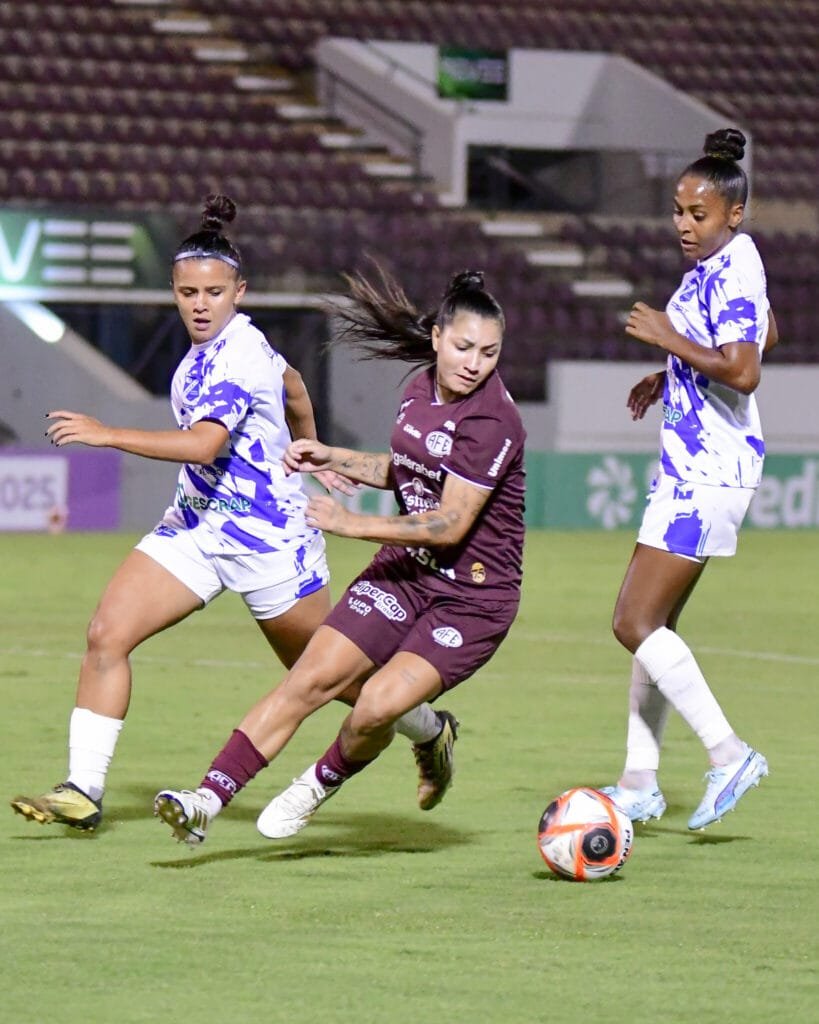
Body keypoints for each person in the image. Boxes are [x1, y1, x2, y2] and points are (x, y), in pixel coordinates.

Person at [10, 195, 448, 833]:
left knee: (330, 681)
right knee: (107, 633)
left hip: (270, 543)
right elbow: (294, 383)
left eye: (213, 292)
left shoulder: (238, 353)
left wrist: (108, 434)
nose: (199, 303)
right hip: (195, 528)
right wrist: (312, 446)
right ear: (174, 289)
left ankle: (429, 727)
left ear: (238, 291)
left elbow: (205, 444)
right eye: (188, 291)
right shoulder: (209, 356)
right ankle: (83, 789)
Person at [153, 266, 526, 846]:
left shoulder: (494, 420)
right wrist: (332, 456)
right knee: (309, 679)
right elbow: (404, 471)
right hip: (405, 573)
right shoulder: (418, 389)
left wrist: (350, 523)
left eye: (489, 352)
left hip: (471, 600)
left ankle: (312, 789)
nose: (474, 362)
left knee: (376, 704)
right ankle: (206, 800)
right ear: (436, 338)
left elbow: (450, 524)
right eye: (463, 347)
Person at [601, 128, 778, 831]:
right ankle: (638, 780)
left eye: (696, 213)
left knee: (632, 620)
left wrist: (667, 341)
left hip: (709, 473)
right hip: (691, 467)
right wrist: (668, 374)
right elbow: (766, 332)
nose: (682, 223)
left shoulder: (732, 266)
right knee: (655, 627)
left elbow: (744, 368)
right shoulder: (714, 268)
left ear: (734, 214)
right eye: (677, 210)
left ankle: (727, 752)